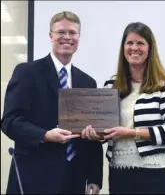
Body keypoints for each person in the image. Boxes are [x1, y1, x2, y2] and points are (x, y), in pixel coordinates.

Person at [1, 11, 103, 194]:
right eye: (61, 32)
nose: (67, 37)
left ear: (78, 38)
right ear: (51, 36)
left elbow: (91, 138)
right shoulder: (27, 73)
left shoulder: (87, 82)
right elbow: (10, 122)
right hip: (33, 178)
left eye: (72, 33)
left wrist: (94, 177)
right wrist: (46, 135)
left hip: (75, 180)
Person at [82, 22, 165, 194]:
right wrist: (96, 135)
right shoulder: (111, 85)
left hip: (156, 174)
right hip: (119, 173)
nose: (134, 48)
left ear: (150, 49)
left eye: (140, 43)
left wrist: (131, 133)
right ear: (123, 48)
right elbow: (105, 130)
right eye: (129, 43)